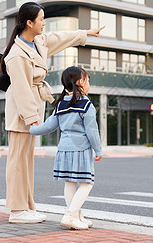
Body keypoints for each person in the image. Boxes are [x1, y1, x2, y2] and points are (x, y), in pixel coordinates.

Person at [2, 1, 104, 224]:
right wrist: (32, 121)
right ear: (29, 23)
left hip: (33, 110)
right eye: (41, 19)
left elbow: (60, 37)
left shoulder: (38, 41)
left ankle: (27, 207)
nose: (44, 23)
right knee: (18, 161)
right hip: (21, 113)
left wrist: (85, 33)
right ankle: (17, 210)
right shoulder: (16, 55)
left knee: (27, 161)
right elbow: (21, 90)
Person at [30, 66, 102, 230]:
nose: (89, 83)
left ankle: (75, 215)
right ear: (80, 82)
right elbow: (92, 131)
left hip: (63, 149)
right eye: (87, 80)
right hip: (81, 149)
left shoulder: (61, 104)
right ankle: (70, 215)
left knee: (70, 182)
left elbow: (49, 126)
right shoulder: (86, 105)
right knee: (87, 183)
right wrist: (98, 150)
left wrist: (32, 129)